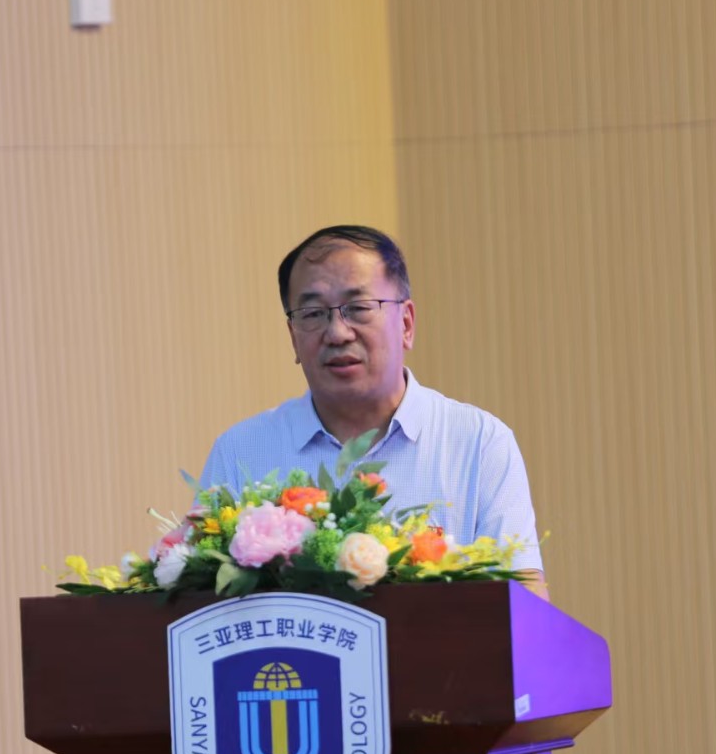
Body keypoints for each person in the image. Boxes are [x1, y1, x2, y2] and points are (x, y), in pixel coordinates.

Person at [198, 225, 546, 595]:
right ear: (293, 338)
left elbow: (525, 608)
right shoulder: (240, 452)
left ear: (406, 324)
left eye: (358, 308)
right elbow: (199, 604)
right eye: (312, 313)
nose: (337, 333)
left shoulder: (478, 443)